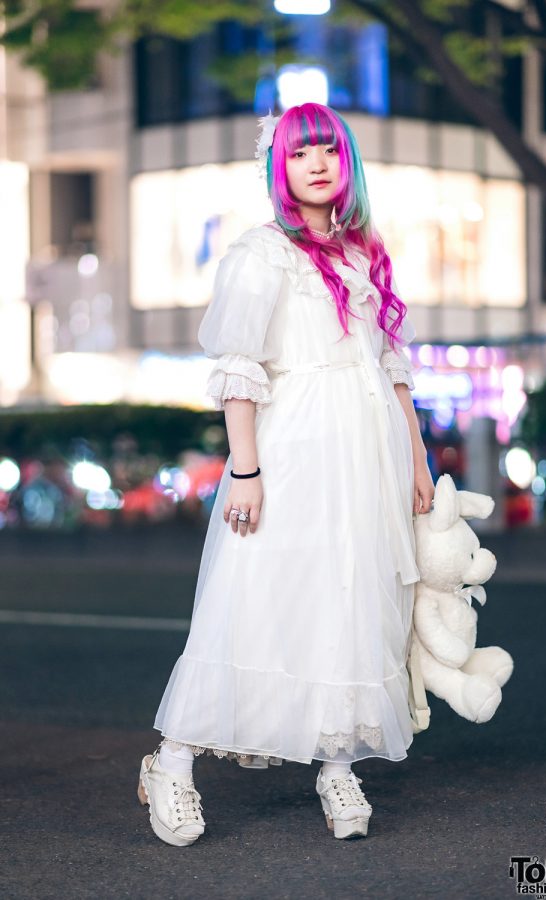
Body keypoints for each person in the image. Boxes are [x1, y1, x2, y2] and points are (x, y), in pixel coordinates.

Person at [137, 102, 435, 844]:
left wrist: (417, 458)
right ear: (278, 166)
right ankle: (172, 762)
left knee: (351, 600)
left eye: (329, 149)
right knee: (257, 598)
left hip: (367, 459)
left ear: (347, 162)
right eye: (301, 152)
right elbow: (241, 370)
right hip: (295, 448)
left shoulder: (363, 253)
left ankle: (336, 763)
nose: (317, 163)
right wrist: (245, 470)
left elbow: (390, 370)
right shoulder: (260, 253)